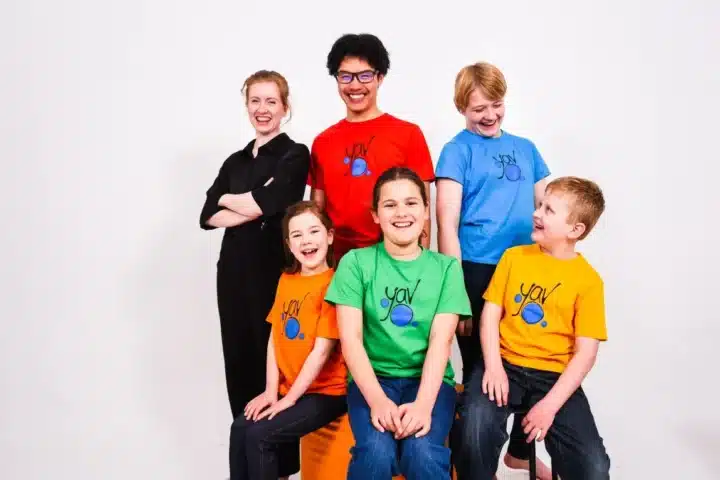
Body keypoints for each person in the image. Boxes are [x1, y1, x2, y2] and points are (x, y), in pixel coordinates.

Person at [435, 61, 552, 477]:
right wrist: (455, 292)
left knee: (533, 358)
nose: (488, 116)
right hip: (477, 270)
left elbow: (548, 209)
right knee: (482, 370)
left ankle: (520, 449)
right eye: (478, 108)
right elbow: (445, 222)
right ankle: (468, 459)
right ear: (461, 108)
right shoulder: (457, 150)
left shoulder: (527, 148)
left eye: (496, 105)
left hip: (526, 272)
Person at [453, 176, 611, 480]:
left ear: (575, 230)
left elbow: (586, 353)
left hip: (554, 377)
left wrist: (549, 406)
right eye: (540, 205)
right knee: (473, 431)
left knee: (594, 468)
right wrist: (494, 367)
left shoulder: (588, 281)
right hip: (505, 365)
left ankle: (523, 453)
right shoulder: (515, 258)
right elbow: (490, 315)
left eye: (549, 210)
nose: (536, 213)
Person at [324, 167, 472, 479]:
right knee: (375, 453)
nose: (401, 213)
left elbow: (440, 342)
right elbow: (350, 340)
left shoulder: (446, 269)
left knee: (422, 452)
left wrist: (422, 405)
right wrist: (377, 400)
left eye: (411, 203)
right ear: (375, 214)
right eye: (389, 205)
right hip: (373, 380)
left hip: (429, 382)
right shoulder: (355, 263)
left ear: (426, 210)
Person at [199, 70, 310, 477]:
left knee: (277, 366)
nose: (262, 110)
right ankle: (249, 463)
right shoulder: (235, 160)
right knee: (240, 363)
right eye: (255, 101)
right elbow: (207, 214)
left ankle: (280, 467)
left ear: (285, 108)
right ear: (247, 105)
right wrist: (244, 199)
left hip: (274, 275)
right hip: (231, 276)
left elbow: (273, 200)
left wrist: (242, 200)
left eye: (271, 102)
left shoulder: (295, 154)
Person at [228, 201, 348, 480]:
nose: (306, 240)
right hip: (289, 388)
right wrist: (271, 391)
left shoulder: (334, 285)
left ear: (329, 236)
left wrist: (289, 400)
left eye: (313, 231)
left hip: (326, 393)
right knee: (240, 428)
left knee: (261, 436)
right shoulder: (286, 280)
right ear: (289, 244)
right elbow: (275, 338)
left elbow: (321, 352)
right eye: (297, 235)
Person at [308, 33, 435, 263]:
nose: (355, 85)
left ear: (380, 78)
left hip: (393, 259)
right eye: (345, 76)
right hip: (338, 264)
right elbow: (317, 212)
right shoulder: (322, 142)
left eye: (365, 75)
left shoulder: (408, 134)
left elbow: (422, 211)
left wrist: (420, 267)